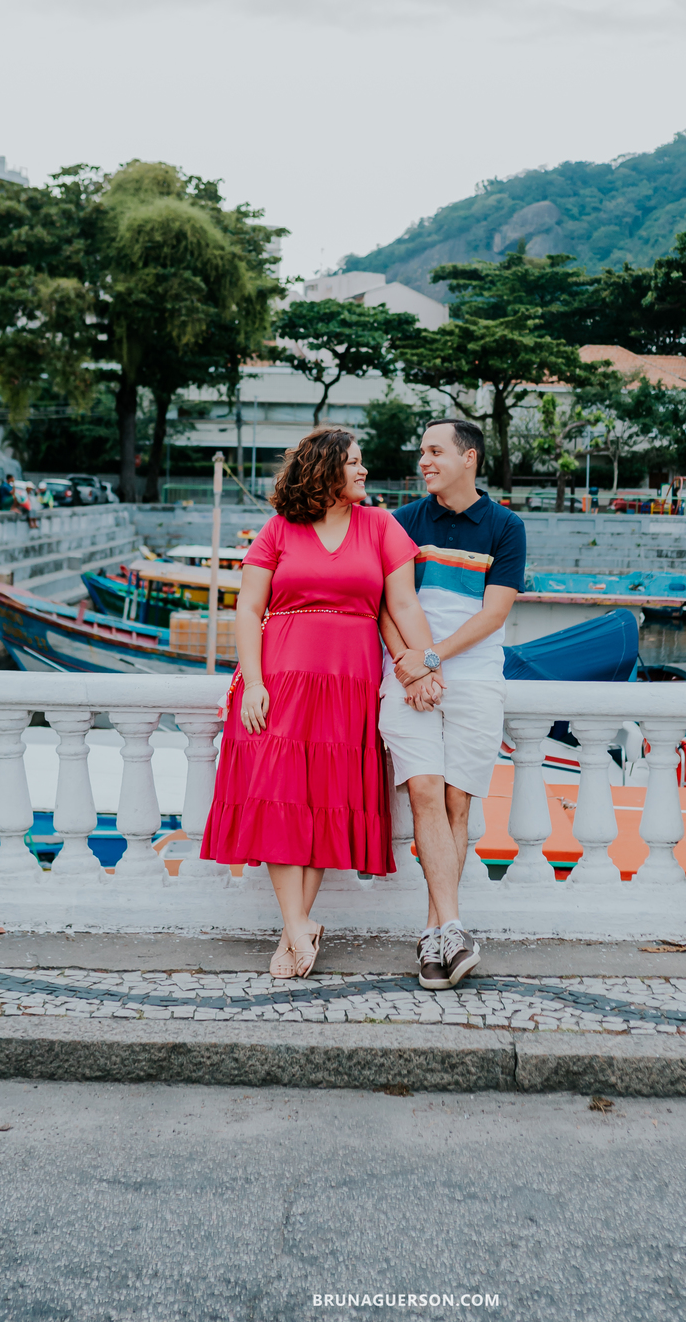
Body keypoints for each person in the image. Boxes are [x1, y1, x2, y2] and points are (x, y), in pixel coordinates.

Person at [201, 428, 438, 979]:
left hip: (348, 682)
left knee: (321, 803)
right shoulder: (280, 528)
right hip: (279, 679)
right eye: (353, 463)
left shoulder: (381, 527)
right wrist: (254, 684)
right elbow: (247, 609)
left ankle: (297, 928)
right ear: (327, 470)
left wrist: (427, 663)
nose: (363, 472)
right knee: (278, 797)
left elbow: (402, 603)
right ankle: (297, 925)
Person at [378, 419, 525, 992]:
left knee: (458, 804)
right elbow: (386, 604)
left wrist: (432, 659)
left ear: (469, 458)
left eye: (436, 451)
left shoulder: (504, 526)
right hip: (410, 676)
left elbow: (494, 614)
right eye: (422, 452)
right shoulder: (403, 523)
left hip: (472, 677)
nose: (425, 461)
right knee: (423, 792)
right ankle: (455, 931)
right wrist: (409, 665)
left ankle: (435, 934)